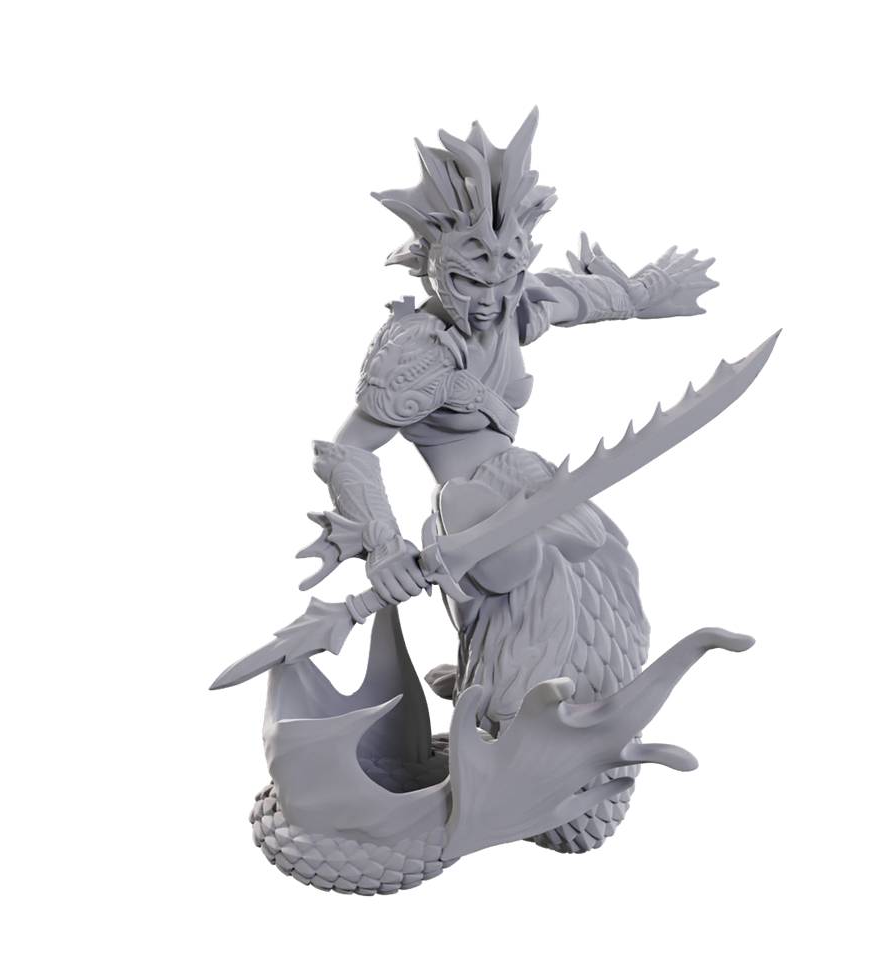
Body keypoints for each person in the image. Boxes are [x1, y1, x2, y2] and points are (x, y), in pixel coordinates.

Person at [304, 108, 718, 853]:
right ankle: (502, 759)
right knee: (531, 630)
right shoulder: (414, 347)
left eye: (509, 275)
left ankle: (557, 773)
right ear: (433, 264)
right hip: (475, 517)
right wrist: (386, 547)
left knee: (604, 608)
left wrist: (654, 288)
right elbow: (349, 450)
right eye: (470, 279)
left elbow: (589, 298)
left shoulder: (513, 307)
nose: (493, 297)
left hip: (537, 491)